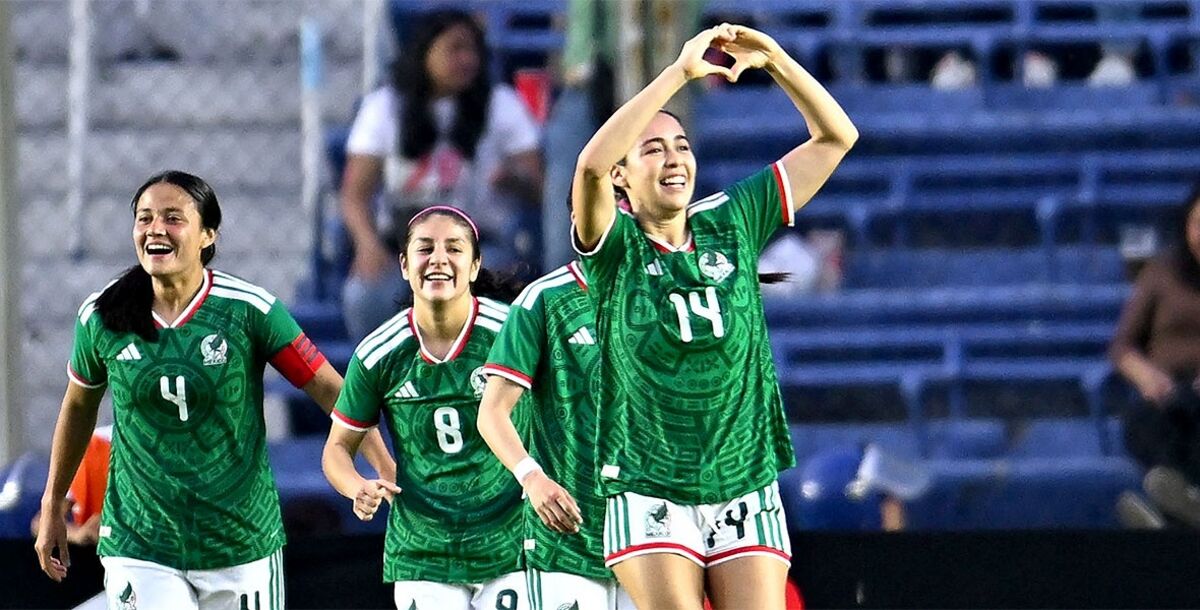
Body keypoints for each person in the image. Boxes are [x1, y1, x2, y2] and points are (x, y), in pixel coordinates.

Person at [570, 22, 857, 610]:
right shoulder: (615, 247)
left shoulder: (733, 219)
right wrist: (678, 73)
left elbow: (836, 137)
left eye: (682, 146)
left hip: (742, 476)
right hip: (649, 483)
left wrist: (775, 59)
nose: (674, 159)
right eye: (653, 150)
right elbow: (590, 167)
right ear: (624, 177)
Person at [33, 170, 395, 609]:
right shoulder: (102, 315)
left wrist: (382, 466)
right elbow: (77, 407)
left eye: (172, 217)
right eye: (144, 218)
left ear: (207, 235)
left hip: (240, 542)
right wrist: (53, 502)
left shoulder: (250, 310)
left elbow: (332, 391)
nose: (155, 229)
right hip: (141, 541)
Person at [322, 206, 529, 610]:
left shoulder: (515, 333)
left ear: (474, 266)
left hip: (512, 541)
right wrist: (357, 487)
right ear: (403, 264)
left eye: (453, 248)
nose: (438, 258)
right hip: (424, 549)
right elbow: (336, 449)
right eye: (425, 248)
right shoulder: (379, 353)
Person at [340, 9, 542, 340]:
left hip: (481, 247)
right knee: (366, 295)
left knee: (498, 286)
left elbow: (540, 188)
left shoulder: (501, 104)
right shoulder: (384, 107)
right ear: (424, 53)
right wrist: (367, 244)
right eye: (454, 49)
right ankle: (385, 384)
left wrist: (513, 179)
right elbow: (354, 194)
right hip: (402, 248)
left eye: (472, 50)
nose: (466, 60)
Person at [476, 231, 624, 608]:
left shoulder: (667, 292)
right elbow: (492, 413)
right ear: (577, 220)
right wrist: (531, 476)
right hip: (567, 533)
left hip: (653, 527)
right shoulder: (544, 299)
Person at [1110, 183, 1200, 529]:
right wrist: (1148, 377)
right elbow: (1122, 346)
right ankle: (1180, 505)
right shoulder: (1161, 274)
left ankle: (1168, 520)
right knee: (1149, 425)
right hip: (1165, 395)